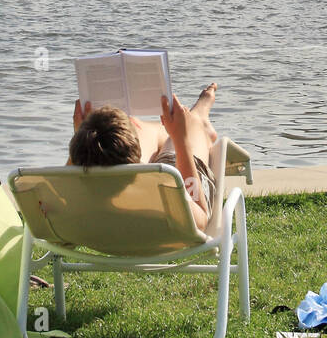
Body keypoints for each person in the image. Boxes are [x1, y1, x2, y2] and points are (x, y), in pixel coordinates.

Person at [69, 84, 220, 231]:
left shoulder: (65, 201)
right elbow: (199, 221)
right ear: (137, 153)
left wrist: (81, 134)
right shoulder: (165, 188)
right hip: (172, 188)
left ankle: (171, 130)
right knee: (191, 122)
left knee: (135, 126)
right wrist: (181, 140)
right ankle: (200, 118)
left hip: (116, 198)